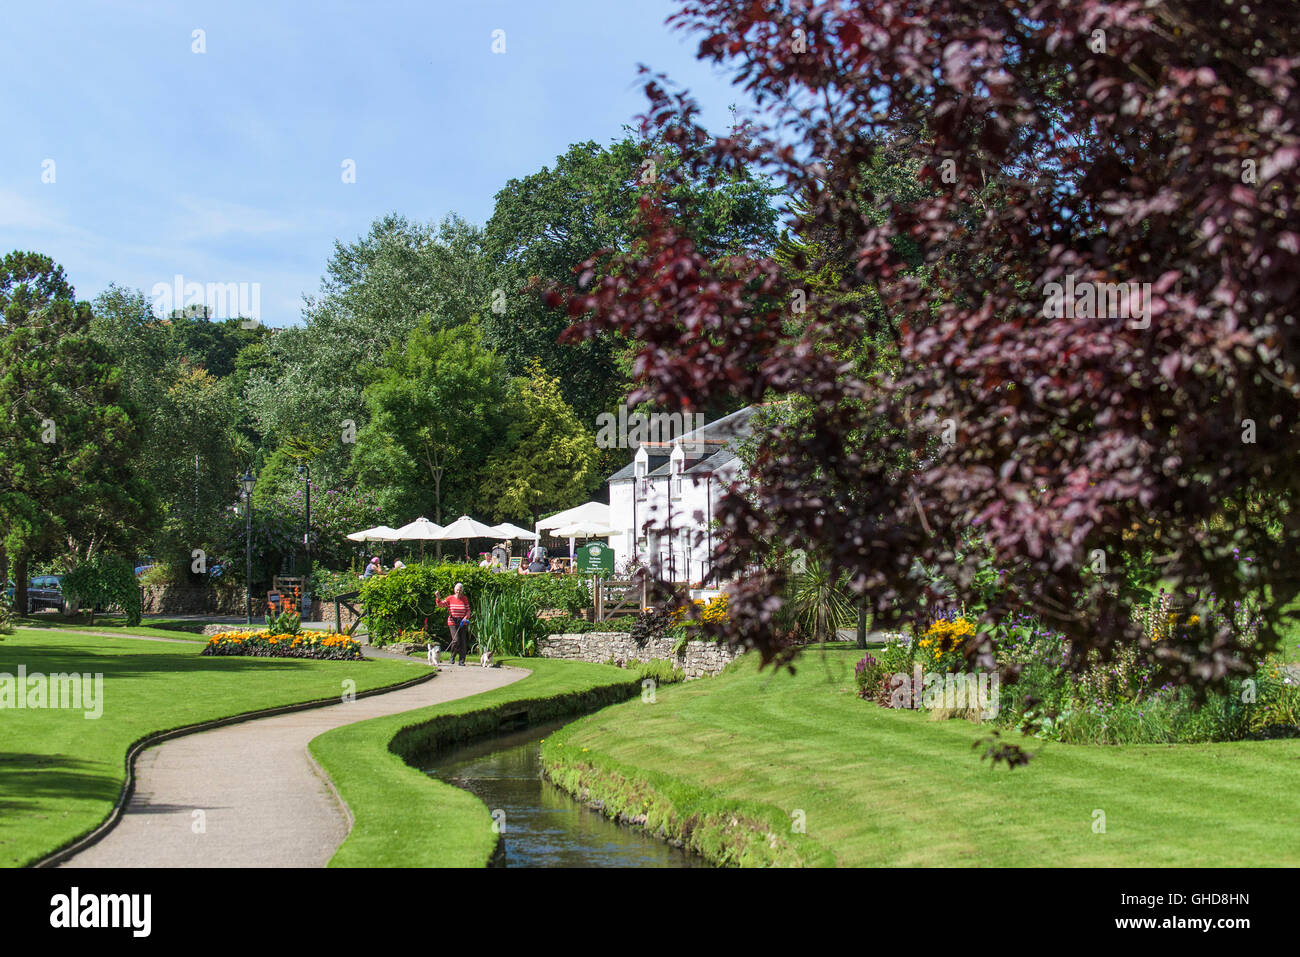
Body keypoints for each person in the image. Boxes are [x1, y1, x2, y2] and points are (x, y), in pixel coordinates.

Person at [436, 583, 471, 666]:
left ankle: (462, 661)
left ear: (462, 591)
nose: (458, 592)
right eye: (457, 590)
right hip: (452, 621)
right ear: (455, 590)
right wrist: (438, 597)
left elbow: (468, 610)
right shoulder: (450, 598)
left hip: (462, 621)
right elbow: (440, 604)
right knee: (456, 640)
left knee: (462, 641)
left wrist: (466, 617)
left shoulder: (464, 599)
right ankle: (452, 656)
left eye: (460, 590)